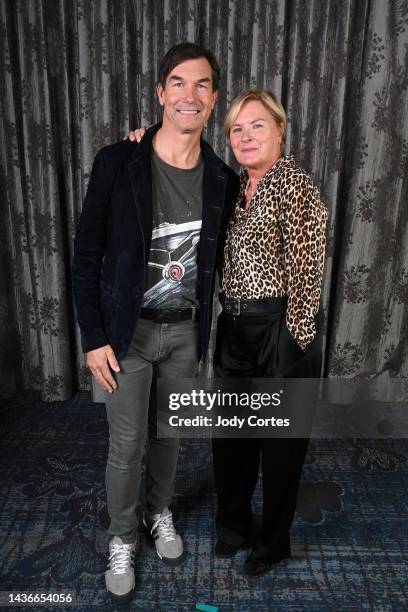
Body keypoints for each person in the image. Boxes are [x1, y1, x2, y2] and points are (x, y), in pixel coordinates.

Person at [72, 42, 238, 604]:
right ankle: (123, 536)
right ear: (161, 92)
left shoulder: (221, 178)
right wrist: (93, 338)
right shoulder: (118, 162)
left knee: (170, 436)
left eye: (202, 86)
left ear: (213, 100)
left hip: (185, 332)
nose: (189, 95)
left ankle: (157, 511)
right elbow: (86, 255)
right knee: (127, 444)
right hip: (127, 332)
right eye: (179, 83)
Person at [212, 89, 328, 576]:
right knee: (231, 440)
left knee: (279, 449)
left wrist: (294, 341)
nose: (245, 136)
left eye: (256, 125)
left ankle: (272, 542)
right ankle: (234, 527)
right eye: (237, 129)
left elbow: (308, 272)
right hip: (234, 327)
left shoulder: (295, 183)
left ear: (280, 129)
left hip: (281, 328)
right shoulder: (234, 186)